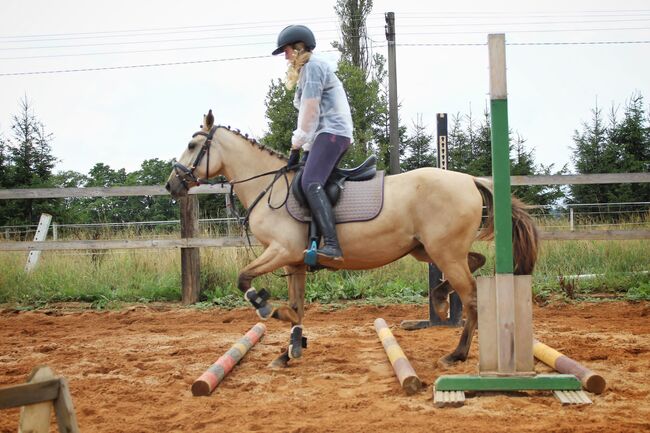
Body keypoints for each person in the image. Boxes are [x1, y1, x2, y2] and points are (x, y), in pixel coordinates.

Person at [272, 25, 353, 260]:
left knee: (310, 182)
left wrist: (297, 144)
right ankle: (313, 241)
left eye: (285, 51)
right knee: (305, 178)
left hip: (332, 133)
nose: (285, 56)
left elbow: (310, 111)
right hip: (324, 134)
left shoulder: (313, 68)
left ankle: (333, 245)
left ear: (298, 48)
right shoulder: (310, 70)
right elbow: (311, 118)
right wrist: (306, 148)